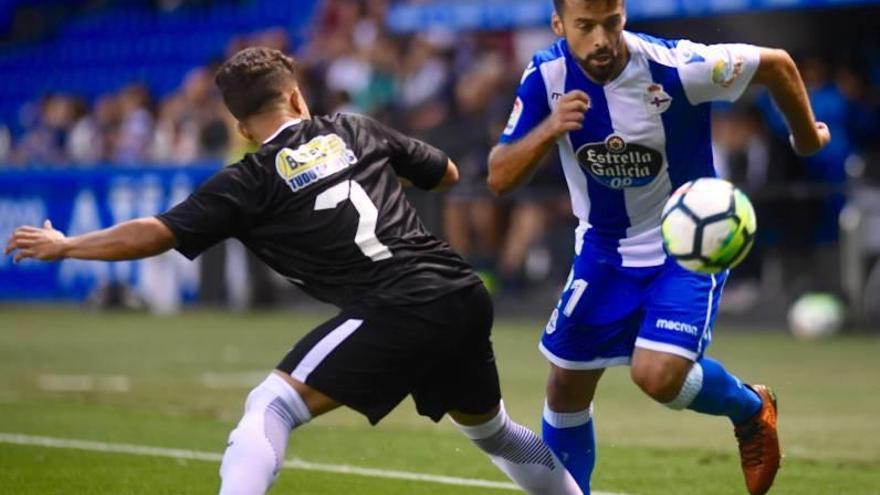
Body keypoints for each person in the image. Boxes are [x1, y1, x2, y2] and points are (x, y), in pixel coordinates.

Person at [5, 47, 581, 495]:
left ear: (242, 128)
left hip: (398, 304)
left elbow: (156, 232)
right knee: (493, 431)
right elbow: (448, 174)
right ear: (297, 97)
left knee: (271, 406)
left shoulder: (248, 179)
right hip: (459, 291)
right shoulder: (356, 129)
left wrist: (68, 245)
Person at [487, 1, 831, 494]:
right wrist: (550, 127)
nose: (601, 39)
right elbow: (499, 176)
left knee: (657, 377)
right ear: (559, 25)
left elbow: (776, 63)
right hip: (603, 250)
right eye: (586, 27)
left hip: (686, 246)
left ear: (624, 14)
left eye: (612, 23)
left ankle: (751, 409)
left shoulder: (680, 67)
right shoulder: (546, 75)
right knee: (565, 385)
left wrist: (805, 137)